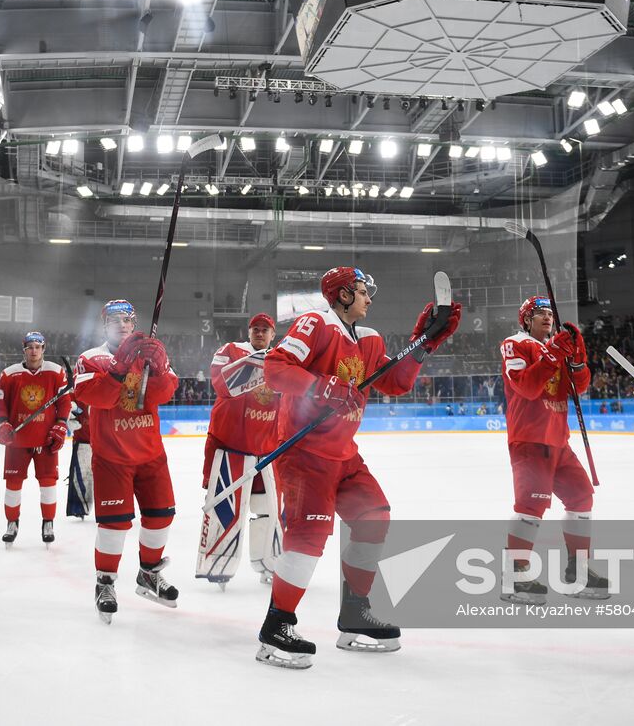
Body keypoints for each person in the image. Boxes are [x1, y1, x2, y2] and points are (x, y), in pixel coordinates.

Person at [255, 266, 460, 669]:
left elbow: (395, 382)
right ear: (344, 295)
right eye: (364, 291)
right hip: (305, 453)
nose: (370, 298)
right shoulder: (315, 323)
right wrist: (323, 386)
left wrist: (423, 344)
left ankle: (354, 613)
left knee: (374, 518)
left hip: (344, 453)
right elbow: (276, 369)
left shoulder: (369, 339)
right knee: (309, 536)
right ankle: (277, 624)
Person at [71, 300, 180, 623]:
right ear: (104, 325)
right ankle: (104, 582)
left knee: (161, 517)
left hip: (151, 454)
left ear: (135, 324)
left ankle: (149, 573)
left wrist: (158, 369)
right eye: (115, 320)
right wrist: (120, 368)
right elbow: (95, 397)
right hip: (113, 457)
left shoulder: (150, 353)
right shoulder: (91, 358)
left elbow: (164, 394)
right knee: (115, 525)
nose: (122, 325)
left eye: (128, 320)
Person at [498, 296, 608, 606]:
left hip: (559, 440)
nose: (547, 318)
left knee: (581, 496)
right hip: (530, 439)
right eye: (539, 314)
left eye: (549, 313)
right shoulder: (515, 343)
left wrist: (577, 359)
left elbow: (578, 387)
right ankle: (514, 576)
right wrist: (556, 353)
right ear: (525, 320)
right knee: (531, 505)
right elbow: (527, 387)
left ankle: (578, 571)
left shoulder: (555, 347)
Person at [197, 312, 282, 588]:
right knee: (225, 511)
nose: (260, 333)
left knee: (267, 511)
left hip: (266, 450)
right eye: (255, 329)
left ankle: (269, 564)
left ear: (273, 334)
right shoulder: (230, 351)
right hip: (231, 448)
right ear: (248, 332)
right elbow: (222, 385)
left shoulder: (282, 359)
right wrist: (263, 361)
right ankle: (218, 565)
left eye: (265, 330)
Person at [0, 331, 71, 547]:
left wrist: (61, 424)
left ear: (43, 349)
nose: (34, 350)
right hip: (17, 440)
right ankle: (12, 523)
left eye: (38, 346)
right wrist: (3, 423)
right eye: (30, 347)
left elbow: (64, 402)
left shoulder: (56, 372)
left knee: (48, 483)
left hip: (46, 440)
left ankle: (48, 523)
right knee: (13, 484)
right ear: (23, 349)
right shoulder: (9, 374)